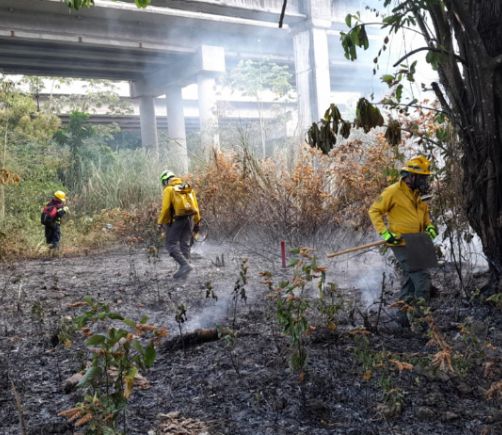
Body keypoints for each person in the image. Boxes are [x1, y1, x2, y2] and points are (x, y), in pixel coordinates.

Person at [368, 156, 438, 327]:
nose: (424, 182)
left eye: (425, 178)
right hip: (402, 243)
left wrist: (429, 226)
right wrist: (385, 234)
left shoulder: (418, 194)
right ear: (411, 176)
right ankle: (421, 323)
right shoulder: (392, 191)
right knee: (422, 281)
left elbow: (424, 215)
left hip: (418, 241)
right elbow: (374, 210)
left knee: (410, 282)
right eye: (422, 178)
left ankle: (402, 319)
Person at [157, 170, 201, 279]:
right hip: (189, 218)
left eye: (163, 182)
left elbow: (165, 209)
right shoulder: (187, 188)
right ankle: (185, 270)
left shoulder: (168, 189)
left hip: (178, 219)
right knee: (184, 244)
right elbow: (195, 207)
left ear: (166, 181)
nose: (163, 185)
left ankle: (185, 265)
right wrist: (197, 221)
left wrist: (160, 222)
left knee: (170, 244)